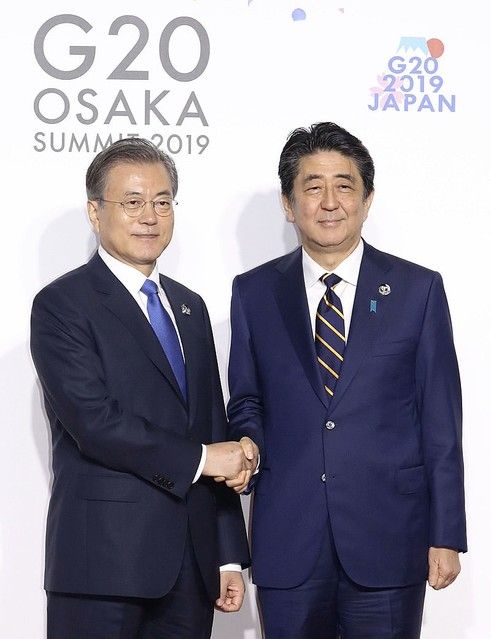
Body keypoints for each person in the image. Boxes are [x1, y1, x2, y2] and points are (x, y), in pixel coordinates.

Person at [227, 122, 467, 638]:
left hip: (390, 538)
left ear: (367, 199)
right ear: (289, 204)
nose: (330, 202)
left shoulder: (418, 290)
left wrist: (446, 533)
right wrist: (248, 441)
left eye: (344, 186)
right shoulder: (254, 293)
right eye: (313, 187)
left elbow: (441, 422)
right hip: (289, 537)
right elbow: (247, 400)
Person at [30, 137, 254, 639]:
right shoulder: (62, 304)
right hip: (101, 568)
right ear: (95, 211)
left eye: (162, 202)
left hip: (191, 571)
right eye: (132, 202)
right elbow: (94, 423)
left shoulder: (190, 307)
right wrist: (203, 458)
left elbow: (211, 425)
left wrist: (227, 555)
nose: (150, 217)